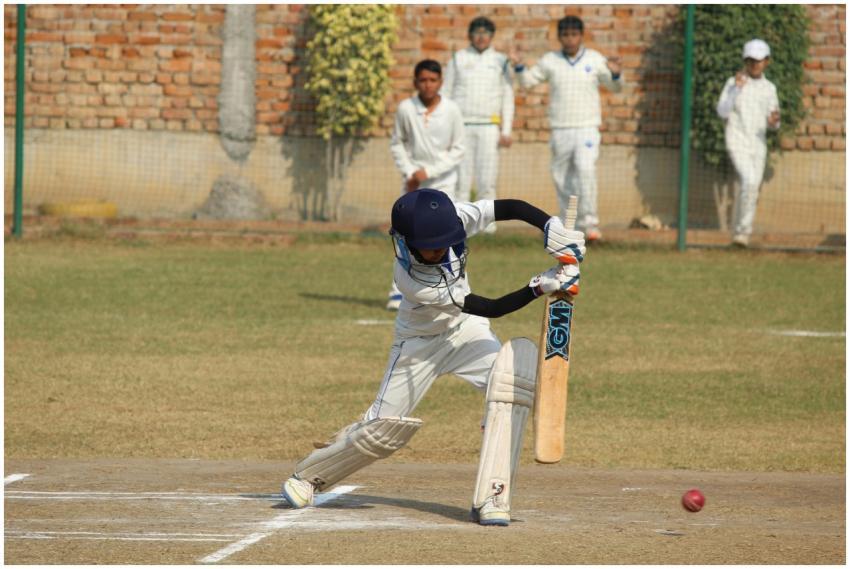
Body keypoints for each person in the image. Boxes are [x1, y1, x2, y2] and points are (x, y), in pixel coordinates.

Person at [282, 188, 586, 527]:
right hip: (418, 347)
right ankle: (308, 475)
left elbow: (509, 207)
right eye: (431, 247)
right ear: (408, 243)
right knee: (380, 431)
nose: (439, 251)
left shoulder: (452, 219)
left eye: (443, 243)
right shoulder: (411, 280)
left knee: (512, 387)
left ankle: (493, 496)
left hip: (467, 331)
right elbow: (492, 307)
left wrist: (550, 227)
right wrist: (539, 286)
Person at [510, 15, 622, 242]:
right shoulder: (550, 60)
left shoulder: (594, 58)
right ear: (560, 37)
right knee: (561, 176)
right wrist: (520, 66)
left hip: (587, 127)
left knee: (585, 170)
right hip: (560, 127)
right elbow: (529, 81)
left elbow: (615, 87)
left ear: (581, 36)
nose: (570, 39)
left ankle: (590, 224)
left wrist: (616, 73)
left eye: (574, 34)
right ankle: (567, 224)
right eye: (565, 35)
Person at [386, 59, 466, 310]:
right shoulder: (406, 108)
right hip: (413, 187)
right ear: (415, 82)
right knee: (406, 236)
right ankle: (398, 291)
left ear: (441, 82)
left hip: (444, 183)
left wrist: (428, 171)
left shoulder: (451, 109)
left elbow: (459, 149)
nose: (428, 85)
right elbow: (397, 143)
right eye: (423, 80)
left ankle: (452, 285)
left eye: (433, 80)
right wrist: (411, 172)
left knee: (448, 236)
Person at [443, 16, 515, 234]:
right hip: (462, 126)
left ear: (492, 36)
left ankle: (487, 227)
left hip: (489, 126)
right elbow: (446, 93)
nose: (481, 37)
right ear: (470, 35)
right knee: (462, 179)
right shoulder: (458, 58)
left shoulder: (501, 60)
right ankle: (460, 225)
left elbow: (508, 96)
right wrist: (446, 129)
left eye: (485, 33)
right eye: (477, 32)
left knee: (487, 178)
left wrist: (506, 130)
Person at [716, 39, 781, 248]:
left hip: (758, 143)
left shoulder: (770, 88)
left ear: (767, 62)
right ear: (745, 61)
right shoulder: (732, 83)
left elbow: (774, 123)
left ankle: (741, 233)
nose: (755, 65)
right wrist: (736, 88)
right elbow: (722, 111)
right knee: (750, 180)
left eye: (759, 61)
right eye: (751, 60)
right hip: (736, 140)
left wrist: (774, 122)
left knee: (752, 187)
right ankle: (742, 232)